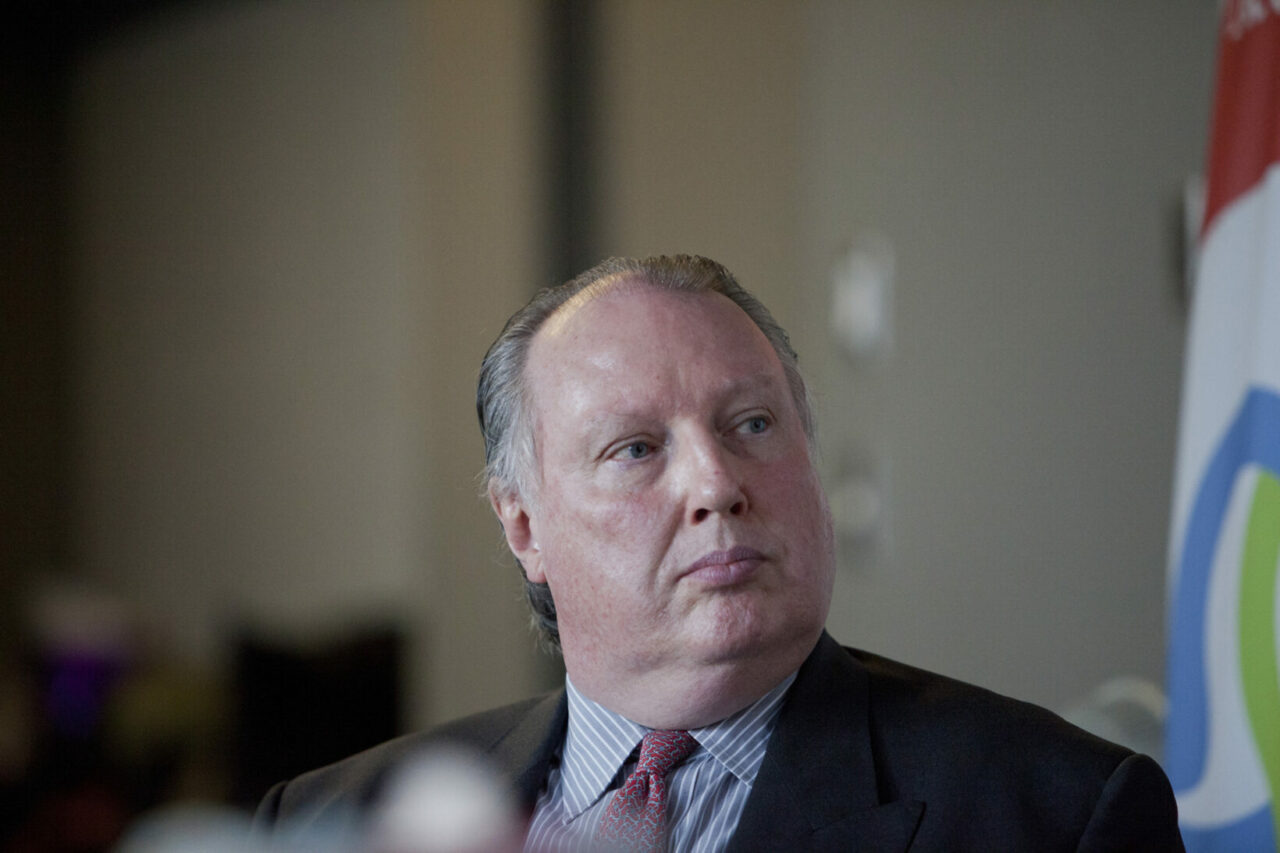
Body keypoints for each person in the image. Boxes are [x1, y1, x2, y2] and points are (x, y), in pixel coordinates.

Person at [254, 255, 1183, 851]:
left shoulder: (1056, 814)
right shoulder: (334, 821)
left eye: (751, 423)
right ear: (524, 526)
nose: (715, 483)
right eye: (635, 448)